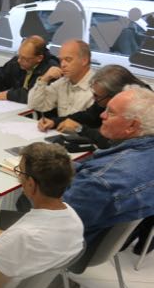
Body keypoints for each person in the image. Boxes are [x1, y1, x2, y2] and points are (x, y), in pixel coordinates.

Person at [0, 142, 84, 288]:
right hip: (23, 286)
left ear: (31, 184)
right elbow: (35, 242)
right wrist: (4, 235)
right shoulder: (73, 218)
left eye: (20, 173)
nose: (18, 178)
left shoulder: (21, 236)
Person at [63, 85, 154, 248]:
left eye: (110, 112)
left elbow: (57, 221)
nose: (102, 115)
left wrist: (33, 182)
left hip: (73, 244)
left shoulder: (100, 181)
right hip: (112, 240)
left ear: (132, 126)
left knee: (22, 197)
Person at [37, 64, 150, 149]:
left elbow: (111, 141)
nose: (95, 99)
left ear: (114, 95)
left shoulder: (140, 105)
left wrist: (80, 129)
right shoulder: (110, 95)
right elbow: (90, 115)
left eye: (97, 96)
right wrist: (55, 121)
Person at [0, 35, 58, 103]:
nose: (19, 60)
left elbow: (35, 94)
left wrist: (9, 95)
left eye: (25, 59)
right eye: (19, 55)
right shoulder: (17, 61)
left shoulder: (51, 68)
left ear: (39, 58)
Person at [28, 39, 94, 116]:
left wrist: (55, 123)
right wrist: (44, 79)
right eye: (61, 60)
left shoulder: (97, 88)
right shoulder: (63, 82)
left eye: (68, 59)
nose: (62, 64)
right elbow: (35, 105)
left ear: (84, 61)